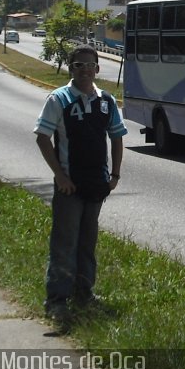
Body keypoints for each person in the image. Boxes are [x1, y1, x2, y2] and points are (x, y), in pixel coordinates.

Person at [33, 44, 127, 332]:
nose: (85, 69)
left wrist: (114, 176)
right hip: (69, 187)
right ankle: (57, 300)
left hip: (96, 185)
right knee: (64, 243)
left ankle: (84, 293)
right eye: (78, 65)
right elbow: (42, 138)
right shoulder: (58, 99)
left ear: (97, 68)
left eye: (90, 65)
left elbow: (117, 138)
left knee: (88, 243)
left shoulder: (106, 101)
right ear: (70, 67)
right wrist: (60, 177)